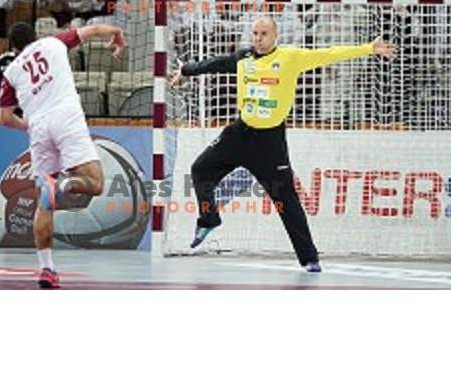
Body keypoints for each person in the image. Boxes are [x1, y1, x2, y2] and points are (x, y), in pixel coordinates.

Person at [168, 16, 396, 272]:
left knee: (286, 201)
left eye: (263, 33)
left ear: (275, 36)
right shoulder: (243, 58)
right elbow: (216, 64)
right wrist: (187, 69)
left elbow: (328, 54)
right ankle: (209, 219)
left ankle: (309, 258)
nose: (258, 38)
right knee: (200, 170)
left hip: (269, 143)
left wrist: (368, 48)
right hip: (239, 134)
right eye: (255, 33)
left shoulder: (290, 58)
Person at [0, 21, 126, 288]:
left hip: (39, 129)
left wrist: (29, 125)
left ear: (14, 48)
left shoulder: (10, 72)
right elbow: (91, 31)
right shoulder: (54, 42)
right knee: (97, 183)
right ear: (35, 37)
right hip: (66, 117)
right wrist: (116, 33)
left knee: (44, 203)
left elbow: (5, 118)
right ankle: (62, 186)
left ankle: (46, 269)